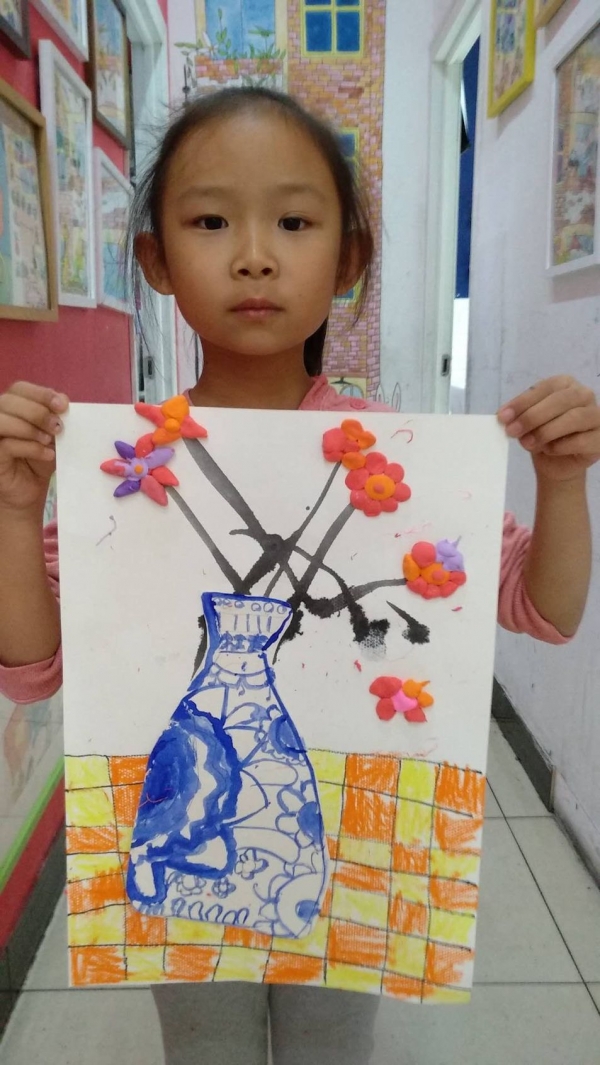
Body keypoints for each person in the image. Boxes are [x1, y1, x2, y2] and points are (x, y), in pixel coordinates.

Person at [0, 86, 598, 1065]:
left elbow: (545, 607)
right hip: (190, 849)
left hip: (340, 858)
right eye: (209, 221)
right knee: (205, 1045)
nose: (253, 255)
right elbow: (31, 668)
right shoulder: (131, 467)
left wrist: (564, 481)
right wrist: (15, 513)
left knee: (330, 1042)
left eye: (293, 221)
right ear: (155, 259)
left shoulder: (395, 466)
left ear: (348, 258)